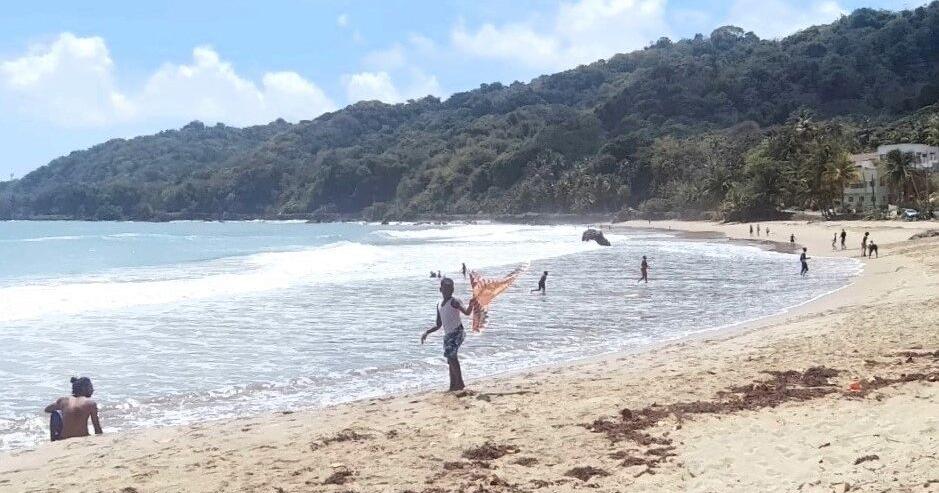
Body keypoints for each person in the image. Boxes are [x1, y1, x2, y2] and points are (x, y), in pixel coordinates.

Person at [422, 278, 475, 391]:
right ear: (440, 289)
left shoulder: (454, 301)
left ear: (453, 290)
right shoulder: (439, 305)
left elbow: (467, 312)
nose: (447, 291)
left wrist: (471, 305)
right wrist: (427, 332)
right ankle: (452, 385)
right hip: (448, 335)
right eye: (445, 289)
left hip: (457, 332)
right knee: (450, 358)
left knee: (452, 357)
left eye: (449, 289)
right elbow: (438, 325)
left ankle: (460, 383)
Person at [44, 377, 102, 441]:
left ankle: (52, 441)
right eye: (90, 387)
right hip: (82, 437)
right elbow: (97, 427)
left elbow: (47, 409)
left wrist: (64, 412)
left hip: (63, 438)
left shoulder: (63, 401)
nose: (93, 390)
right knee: (56, 414)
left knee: (55, 414)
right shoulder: (90, 403)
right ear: (83, 388)